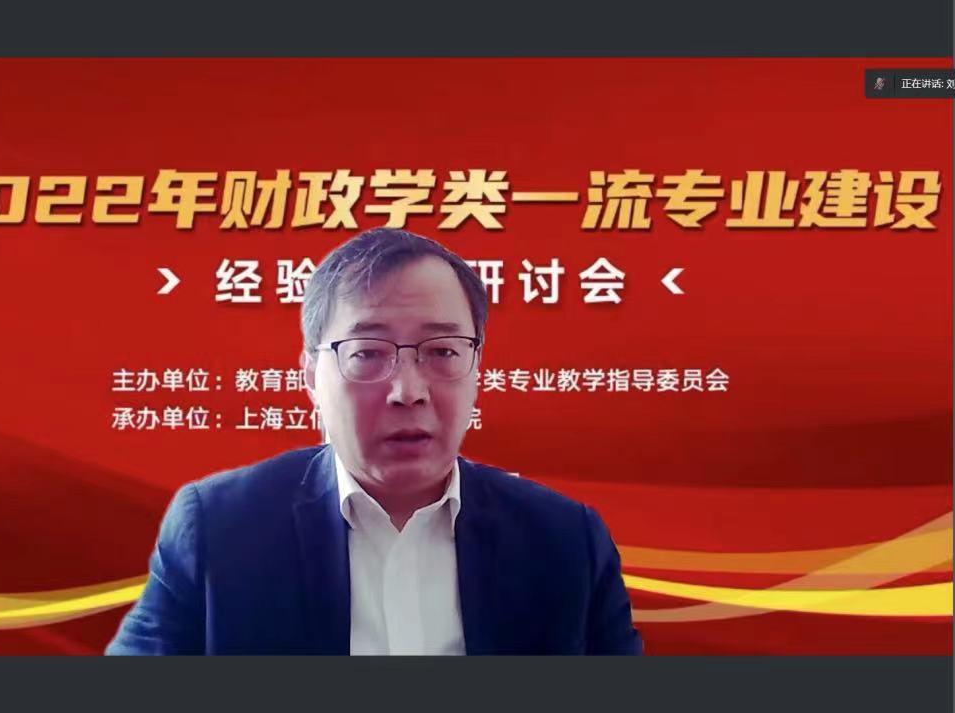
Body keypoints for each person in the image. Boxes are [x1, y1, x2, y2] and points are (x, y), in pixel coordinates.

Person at [106, 227, 643, 655]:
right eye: (367, 353)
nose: (408, 391)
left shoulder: (565, 541)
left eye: (443, 351)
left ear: (477, 369)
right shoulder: (218, 528)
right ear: (311, 376)